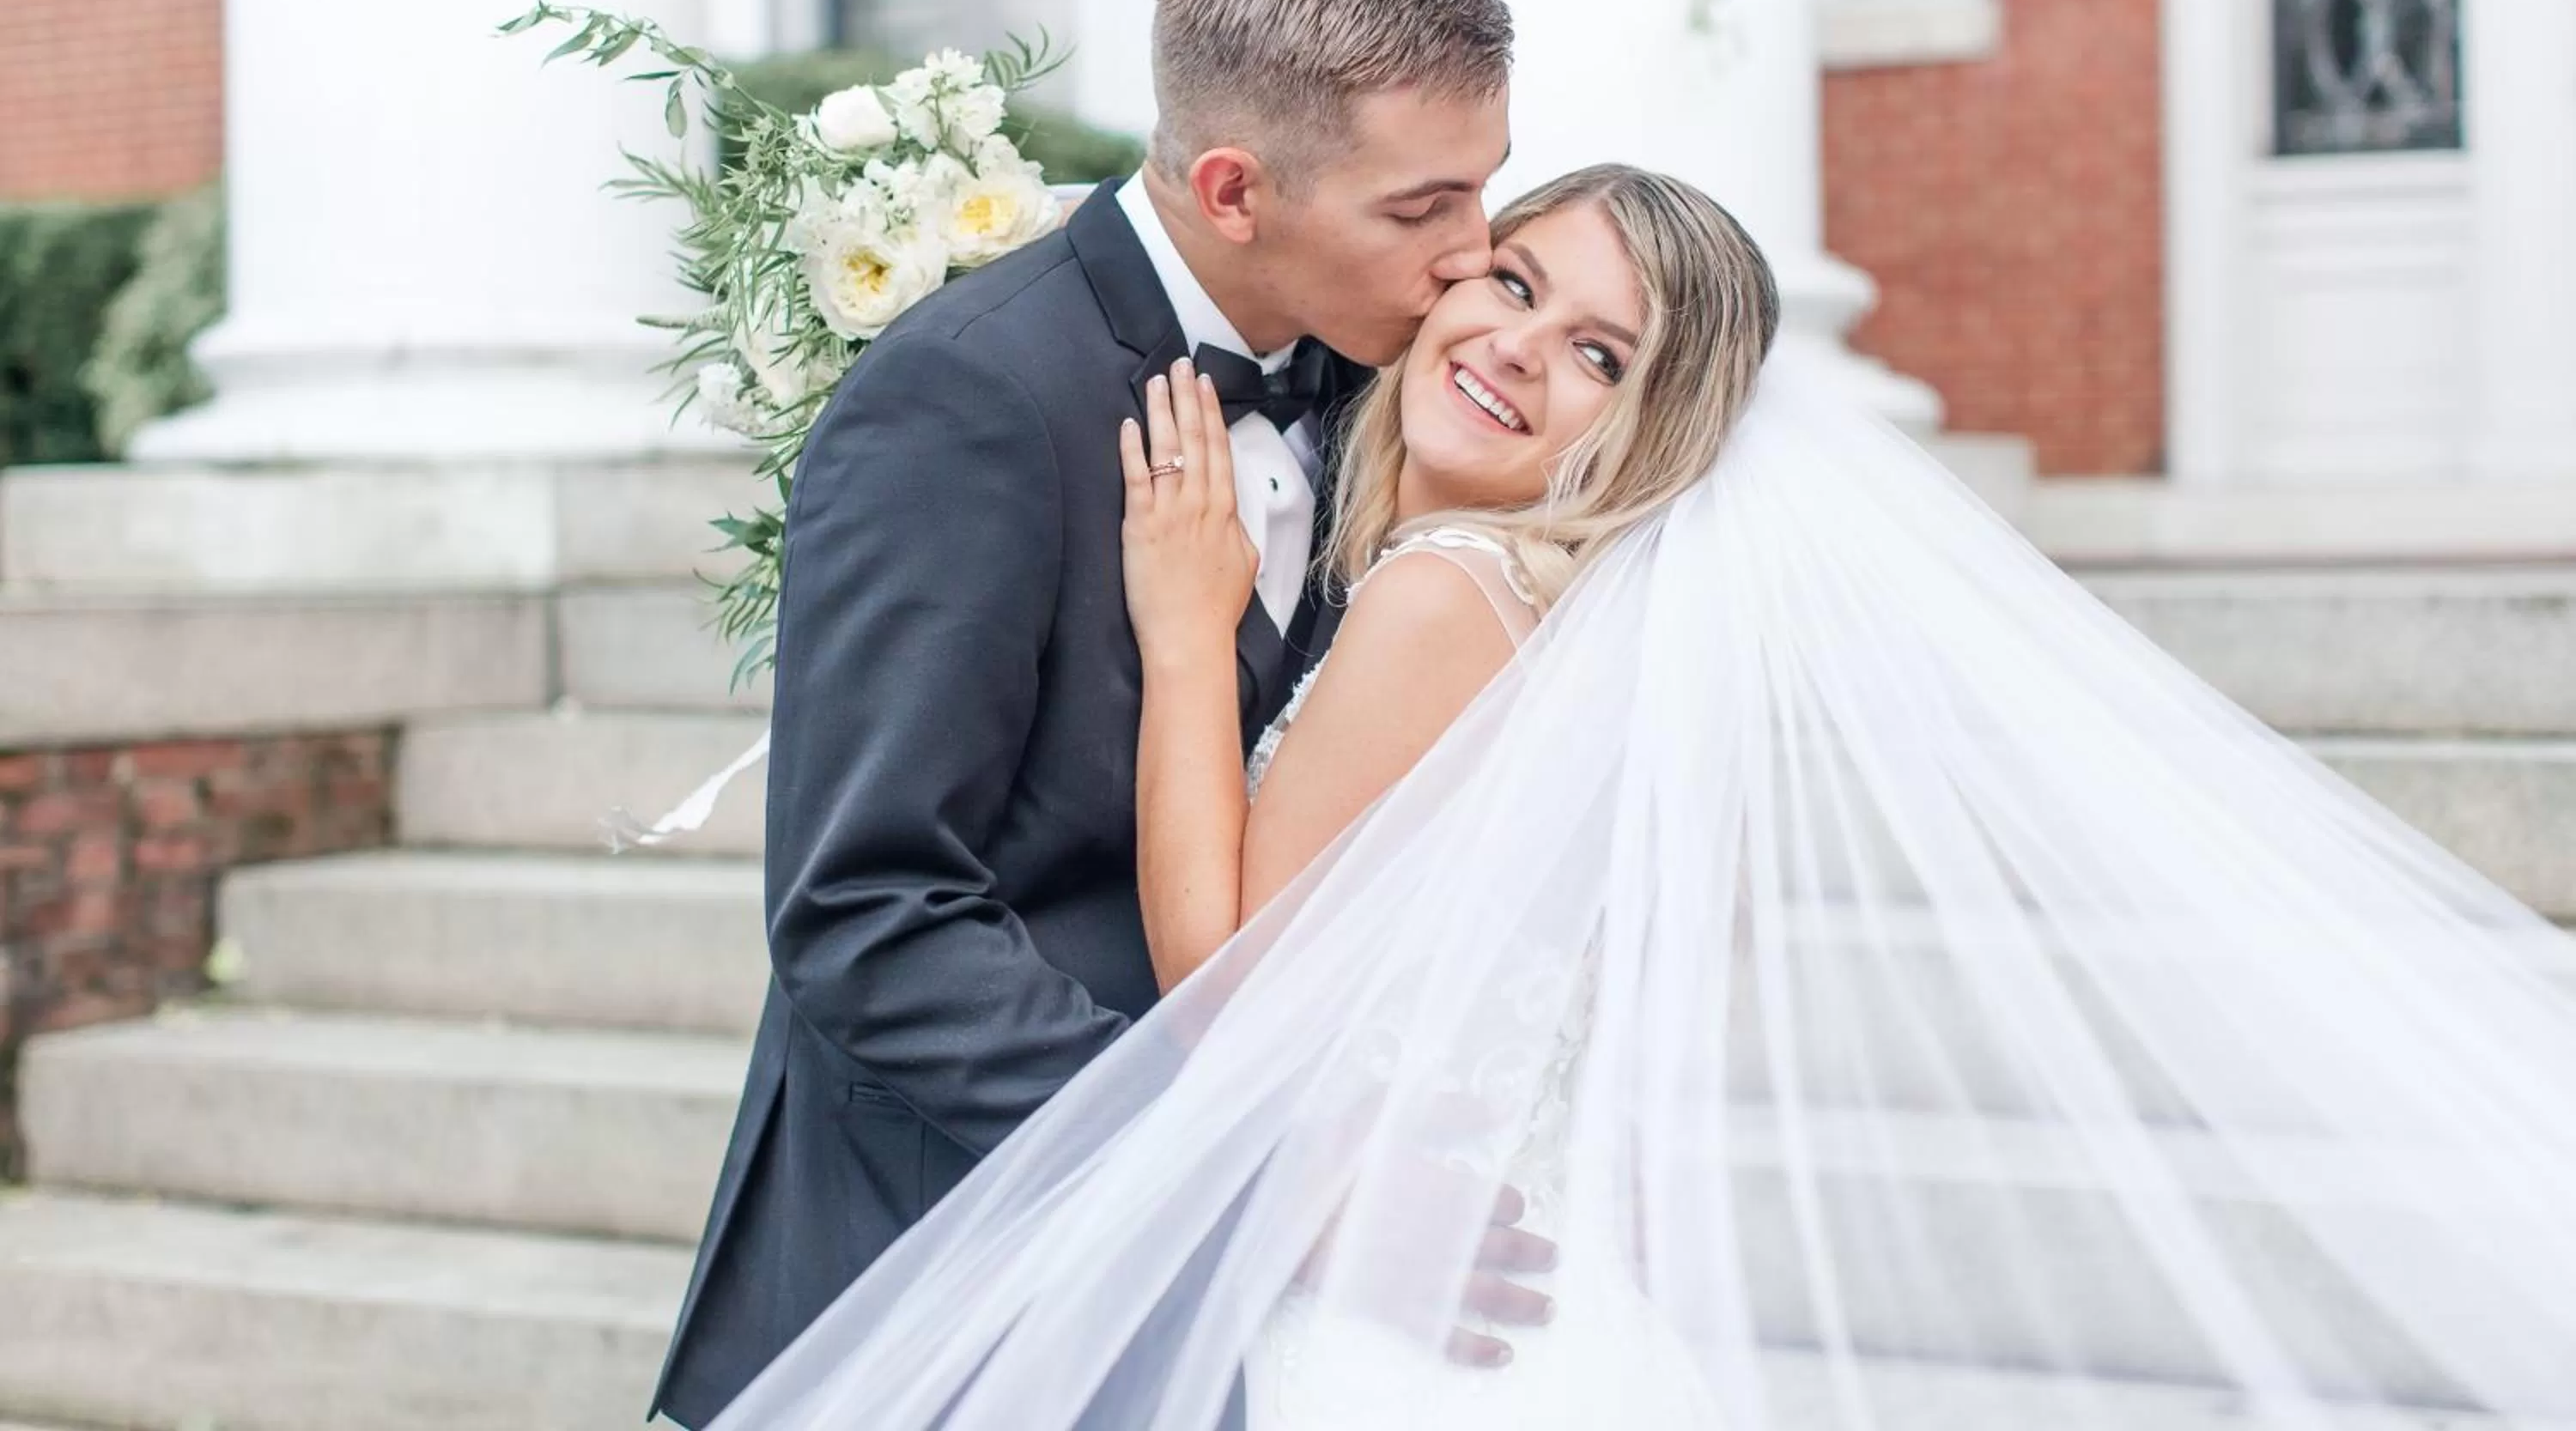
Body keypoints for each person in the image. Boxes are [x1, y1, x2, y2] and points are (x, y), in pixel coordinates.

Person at [706, 165, 2576, 1429]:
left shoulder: (1449, 600)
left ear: (1652, 433)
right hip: (1504, 1281)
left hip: (1372, 1297)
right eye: (1512, 279)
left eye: (1599, 354)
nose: (1517, 343)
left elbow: (1229, 991)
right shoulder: (1570, 630)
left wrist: (1188, 641)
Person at [647, 0, 1528, 1430]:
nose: (1474, 259)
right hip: (957, 1270)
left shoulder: (1387, 385)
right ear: (1235, 190)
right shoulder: (962, 398)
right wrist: (1247, 1184)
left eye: (1485, 193)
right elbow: (867, 914)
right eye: (1422, 210)